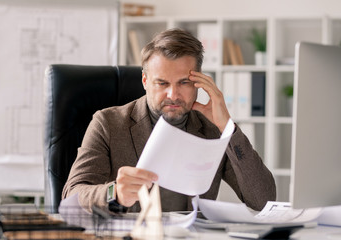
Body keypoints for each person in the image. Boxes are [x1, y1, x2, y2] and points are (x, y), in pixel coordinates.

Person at [62, 28, 276, 212]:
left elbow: (264, 201)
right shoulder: (108, 123)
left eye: (183, 82)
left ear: (199, 82)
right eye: (162, 83)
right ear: (145, 81)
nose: (173, 94)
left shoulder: (212, 129)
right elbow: (70, 199)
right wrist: (114, 192)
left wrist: (227, 126)